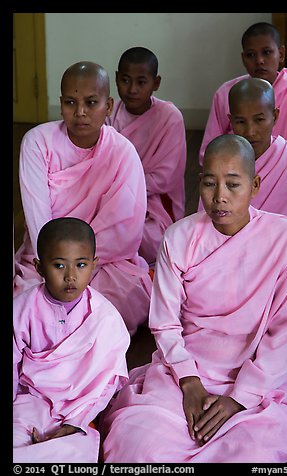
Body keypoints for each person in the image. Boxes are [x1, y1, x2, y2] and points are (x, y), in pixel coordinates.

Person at [99, 135, 287, 463]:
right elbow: (165, 323)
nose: (220, 197)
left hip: (254, 378)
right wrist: (189, 382)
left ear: (255, 186)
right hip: (184, 369)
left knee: (256, 452)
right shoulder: (179, 238)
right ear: (200, 183)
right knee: (136, 443)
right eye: (210, 184)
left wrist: (239, 398)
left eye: (233, 185)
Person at [13, 61, 152, 336]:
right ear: (60, 103)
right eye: (70, 102)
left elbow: (123, 229)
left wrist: (79, 266)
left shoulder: (122, 152)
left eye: (91, 102)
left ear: (108, 106)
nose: (80, 113)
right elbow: (38, 217)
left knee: (123, 298)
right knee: (27, 302)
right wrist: (58, 266)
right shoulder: (37, 142)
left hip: (101, 260)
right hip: (48, 260)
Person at [13, 217, 130, 463]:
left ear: (94, 265)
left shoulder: (105, 317)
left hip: (79, 407)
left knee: (74, 450)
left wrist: (77, 422)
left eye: (81, 265)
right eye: (59, 266)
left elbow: (107, 381)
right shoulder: (22, 309)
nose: (70, 276)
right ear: (39, 267)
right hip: (31, 399)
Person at [106, 47, 187, 268]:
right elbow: (99, 164)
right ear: (115, 78)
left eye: (141, 82)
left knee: (149, 240)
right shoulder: (108, 114)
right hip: (111, 197)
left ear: (156, 83)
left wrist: (122, 187)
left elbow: (165, 178)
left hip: (154, 204)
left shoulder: (169, 118)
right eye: (125, 80)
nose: (132, 89)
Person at [199, 22, 287, 164]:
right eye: (250, 55)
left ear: (281, 54)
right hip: (236, 176)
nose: (259, 60)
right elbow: (210, 152)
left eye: (266, 52)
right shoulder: (225, 93)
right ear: (243, 58)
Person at [222, 77, 287, 253]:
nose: (250, 131)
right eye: (241, 122)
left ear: (275, 116)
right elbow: (205, 227)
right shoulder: (221, 165)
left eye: (259, 120)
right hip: (232, 264)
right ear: (230, 121)